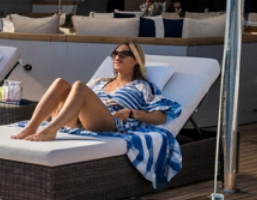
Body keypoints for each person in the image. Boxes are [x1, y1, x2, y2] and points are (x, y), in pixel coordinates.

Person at [12, 39, 178, 142]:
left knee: (79, 87)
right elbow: (78, 100)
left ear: (136, 60)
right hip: (77, 120)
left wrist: (132, 113)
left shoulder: (143, 86)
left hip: (108, 122)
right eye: (115, 54)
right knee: (60, 83)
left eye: (124, 54)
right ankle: (32, 127)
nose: (117, 57)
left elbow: (161, 117)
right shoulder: (101, 81)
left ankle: (51, 130)